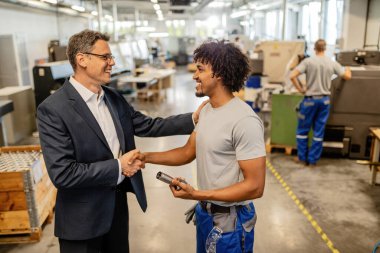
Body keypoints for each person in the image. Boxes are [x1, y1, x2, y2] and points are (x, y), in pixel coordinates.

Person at [37, 29, 203, 253]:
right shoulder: (53, 109)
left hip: (116, 212)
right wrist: (118, 166)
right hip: (82, 222)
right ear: (82, 59)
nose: (112, 62)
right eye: (105, 57)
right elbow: (63, 173)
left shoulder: (112, 98)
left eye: (111, 57)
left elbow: (149, 125)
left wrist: (193, 118)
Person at [143, 40, 266, 253]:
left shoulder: (244, 120)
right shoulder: (207, 110)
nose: (194, 75)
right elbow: (187, 152)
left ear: (218, 74)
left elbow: (255, 186)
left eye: (200, 69)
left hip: (231, 222)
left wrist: (197, 194)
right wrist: (145, 157)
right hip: (206, 214)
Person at [290, 39, 351, 166]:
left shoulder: (308, 61)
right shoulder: (331, 62)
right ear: (325, 48)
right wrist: (348, 69)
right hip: (324, 101)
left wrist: (300, 89)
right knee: (318, 132)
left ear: (314, 48)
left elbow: (292, 75)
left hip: (309, 101)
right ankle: (313, 160)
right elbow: (347, 76)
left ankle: (302, 158)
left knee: (302, 131)